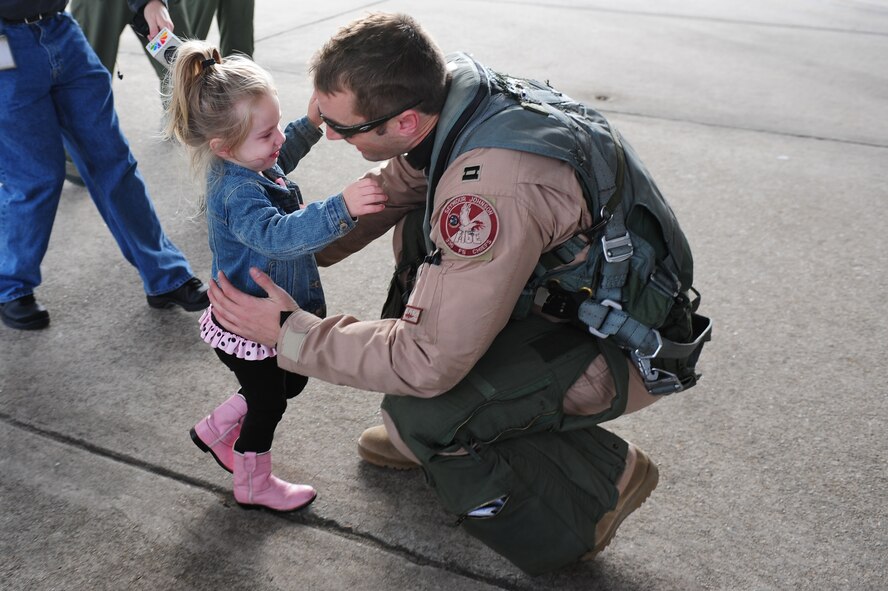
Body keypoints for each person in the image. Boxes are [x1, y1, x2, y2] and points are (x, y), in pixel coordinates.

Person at [207, 12, 709, 574]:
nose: (326, 134)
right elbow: (399, 187)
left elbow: (427, 359)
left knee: (422, 408)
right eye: (322, 115)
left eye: (341, 128)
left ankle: (593, 492)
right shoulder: (453, 105)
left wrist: (288, 333)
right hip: (572, 297)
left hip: (622, 345)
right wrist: (287, 248)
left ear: (403, 124)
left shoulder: (493, 188)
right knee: (426, 231)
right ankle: (440, 426)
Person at [164, 40, 386, 511]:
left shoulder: (248, 161)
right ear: (224, 148)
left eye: (276, 125)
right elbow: (277, 235)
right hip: (247, 320)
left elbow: (279, 160)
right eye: (267, 134)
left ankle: (217, 427)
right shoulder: (238, 192)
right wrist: (339, 208)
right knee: (270, 402)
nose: (277, 140)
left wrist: (306, 126)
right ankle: (252, 482)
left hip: (257, 312)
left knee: (291, 380)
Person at [0, 0, 210, 331]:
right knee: (35, 176)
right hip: (5, 44)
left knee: (113, 160)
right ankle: (10, 286)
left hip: (60, 30)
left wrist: (149, 3)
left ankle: (164, 276)